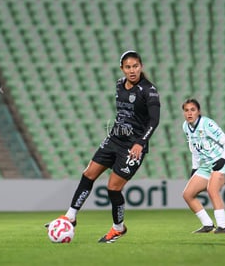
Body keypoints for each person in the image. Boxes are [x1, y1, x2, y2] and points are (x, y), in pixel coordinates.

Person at [45, 50, 160, 243]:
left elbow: (154, 120)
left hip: (132, 147)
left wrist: (141, 142)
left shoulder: (149, 90)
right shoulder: (118, 85)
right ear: (122, 69)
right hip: (114, 139)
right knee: (88, 174)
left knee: (113, 189)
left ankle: (118, 228)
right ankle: (70, 216)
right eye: (128, 67)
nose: (132, 70)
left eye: (136, 66)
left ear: (141, 67)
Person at [181, 98, 225, 234]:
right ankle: (207, 225)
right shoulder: (185, 126)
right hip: (207, 164)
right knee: (188, 194)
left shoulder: (207, 124)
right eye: (186, 110)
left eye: (193, 110)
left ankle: (223, 227)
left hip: (223, 161)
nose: (189, 113)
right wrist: (194, 168)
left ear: (199, 112)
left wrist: (223, 159)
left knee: (212, 190)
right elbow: (194, 148)